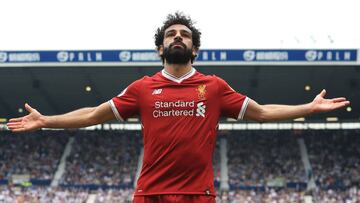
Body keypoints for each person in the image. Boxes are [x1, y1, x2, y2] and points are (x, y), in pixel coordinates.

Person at [7, 12, 350, 203]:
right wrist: (47, 120)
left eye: (184, 35)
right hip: (150, 194)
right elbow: (93, 114)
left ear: (195, 49)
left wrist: (310, 106)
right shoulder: (142, 88)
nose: (177, 38)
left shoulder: (214, 87)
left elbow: (261, 112)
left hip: (198, 195)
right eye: (171, 34)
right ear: (160, 49)